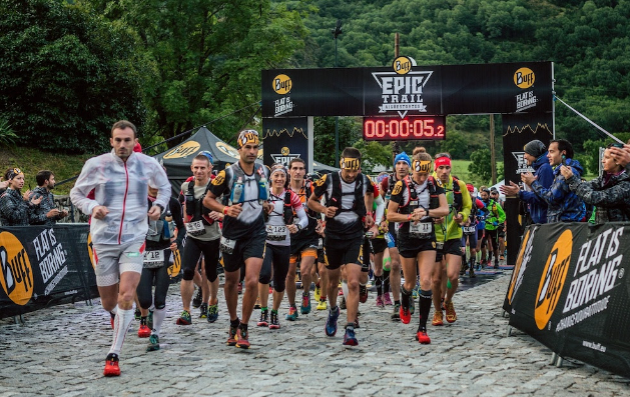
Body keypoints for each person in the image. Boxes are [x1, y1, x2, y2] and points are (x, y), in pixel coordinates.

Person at [70, 120, 170, 377]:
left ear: (135, 141)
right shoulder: (97, 164)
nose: (123, 145)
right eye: (118, 140)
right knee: (108, 302)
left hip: (134, 238)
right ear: (111, 141)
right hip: (103, 241)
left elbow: (165, 186)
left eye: (127, 140)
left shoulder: (147, 164)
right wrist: (93, 208)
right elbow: (76, 194)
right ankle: (118, 317)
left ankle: (113, 353)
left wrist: (159, 205)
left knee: (127, 295)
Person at [203, 129, 271, 349]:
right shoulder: (228, 174)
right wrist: (225, 209)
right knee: (232, 281)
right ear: (239, 149)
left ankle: (244, 326)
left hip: (256, 232)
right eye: (247, 148)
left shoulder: (264, 171)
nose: (252, 151)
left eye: (255, 147)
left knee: (252, 280)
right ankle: (233, 321)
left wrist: (267, 205)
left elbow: (266, 197)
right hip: (232, 234)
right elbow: (208, 199)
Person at [308, 147, 374, 346]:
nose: (352, 175)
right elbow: (311, 201)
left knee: (353, 282)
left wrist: (369, 213)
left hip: (354, 235)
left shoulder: (365, 180)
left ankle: (350, 327)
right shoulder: (328, 180)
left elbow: (371, 193)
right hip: (333, 236)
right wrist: (324, 209)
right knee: (331, 281)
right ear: (342, 165)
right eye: (348, 172)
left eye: (355, 171)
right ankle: (333, 309)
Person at [387, 150, 448, 343]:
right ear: (413, 169)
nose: (421, 178)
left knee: (427, 281)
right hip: (407, 237)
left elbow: (444, 209)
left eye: (424, 174)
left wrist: (428, 212)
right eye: (418, 174)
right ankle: (405, 298)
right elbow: (390, 214)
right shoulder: (401, 186)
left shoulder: (434, 183)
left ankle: (422, 328)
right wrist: (409, 216)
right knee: (410, 283)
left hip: (426, 237)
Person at [257, 164, 307, 329]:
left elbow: (304, 218)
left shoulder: (291, 196)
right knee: (264, 275)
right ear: (271, 178)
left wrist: (297, 226)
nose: (279, 179)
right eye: (276, 176)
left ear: (286, 179)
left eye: (282, 176)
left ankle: (274, 313)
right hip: (266, 242)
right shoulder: (263, 194)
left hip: (284, 243)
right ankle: (263, 310)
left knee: (279, 281)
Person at [137, 179, 185, 351]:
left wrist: (178, 241)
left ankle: (155, 334)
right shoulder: (138, 200)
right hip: (143, 253)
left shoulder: (171, 202)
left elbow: (182, 226)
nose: (155, 185)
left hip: (164, 252)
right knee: (144, 300)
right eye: (151, 181)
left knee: (160, 299)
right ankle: (148, 312)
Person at [176, 153, 223, 325]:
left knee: (210, 273)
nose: (199, 171)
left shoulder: (217, 187)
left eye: (203, 167)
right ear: (191, 168)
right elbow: (181, 205)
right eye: (196, 167)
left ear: (210, 169)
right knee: (187, 271)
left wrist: (221, 213)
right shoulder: (185, 186)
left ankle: (213, 301)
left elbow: (230, 206)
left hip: (212, 237)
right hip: (193, 236)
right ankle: (186, 311)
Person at [431, 153, 472, 326]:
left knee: (453, 275)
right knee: (436, 278)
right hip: (434, 237)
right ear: (435, 168)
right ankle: (437, 310)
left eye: (447, 167)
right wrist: (432, 217)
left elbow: (468, 205)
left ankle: (448, 301)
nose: (444, 171)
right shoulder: (429, 183)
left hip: (453, 235)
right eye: (441, 167)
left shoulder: (458, 185)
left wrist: (462, 215)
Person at [284, 158, 319, 320]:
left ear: (305, 171)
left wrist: (322, 221)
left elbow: (321, 204)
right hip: (289, 237)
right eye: (295, 168)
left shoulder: (311, 188)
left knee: (306, 271)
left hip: (309, 235)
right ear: (289, 171)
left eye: (301, 169)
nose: (298, 172)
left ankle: (306, 293)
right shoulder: (283, 190)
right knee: (289, 274)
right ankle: (292, 306)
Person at [561, 144, 630, 222]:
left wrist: (572, 179)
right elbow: (585, 186)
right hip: (605, 231)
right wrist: (572, 177)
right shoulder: (604, 178)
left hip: (620, 232)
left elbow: (597, 198)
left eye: (607, 158)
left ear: (618, 161)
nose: (602, 161)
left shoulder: (626, 183)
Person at [380, 152, 411, 321]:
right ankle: (397, 302)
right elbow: (380, 201)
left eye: (404, 164)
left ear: (409, 166)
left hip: (410, 225)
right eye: (398, 163)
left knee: (410, 263)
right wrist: (382, 220)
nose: (401, 167)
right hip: (392, 226)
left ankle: (408, 293)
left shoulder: (414, 181)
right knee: (394, 264)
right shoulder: (387, 181)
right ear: (394, 166)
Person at [522, 139, 586, 223]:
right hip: (563, 224)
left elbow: (551, 198)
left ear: (563, 153)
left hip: (565, 225)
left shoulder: (566, 171)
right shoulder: (562, 170)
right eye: (548, 152)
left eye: (551, 152)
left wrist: (532, 183)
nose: (548, 155)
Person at [500, 140, 554, 225]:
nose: (524, 157)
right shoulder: (540, 168)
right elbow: (540, 193)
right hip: (539, 220)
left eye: (526, 153)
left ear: (534, 153)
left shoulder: (545, 168)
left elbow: (544, 198)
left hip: (544, 221)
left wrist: (520, 193)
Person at [461, 184, 488, 278]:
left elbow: (486, 211)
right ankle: (464, 265)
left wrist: (481, 217)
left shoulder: (475, 201)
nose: (468, 193)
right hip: (463, 227)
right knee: (462, 249)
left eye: (470, 192)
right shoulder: (461, 199)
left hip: (473, 226)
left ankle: (472, 269)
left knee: (473, 249)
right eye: (466, 191)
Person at [479, 188, 506, 268]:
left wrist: (497, 221)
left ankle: (496, 260)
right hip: (484, 227)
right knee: (483, 243)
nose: (483, 197)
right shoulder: (480, 203)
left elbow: (503, 215)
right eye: (482, 195)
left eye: (485, 195)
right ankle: (484, 259)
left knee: (495, 244)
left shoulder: (495, 204)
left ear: (488, 195)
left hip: (493, 227)